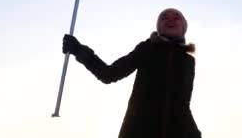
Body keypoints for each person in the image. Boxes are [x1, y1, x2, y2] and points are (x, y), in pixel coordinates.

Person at [62, 7, 202, 138]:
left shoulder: (188, 60)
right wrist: (78, 50)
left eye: (176, 17)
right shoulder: (147, 49)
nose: (170, 19)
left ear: (184, 27)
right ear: (158, 28)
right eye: (164, 17)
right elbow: (109, 74)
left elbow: (182, 104)